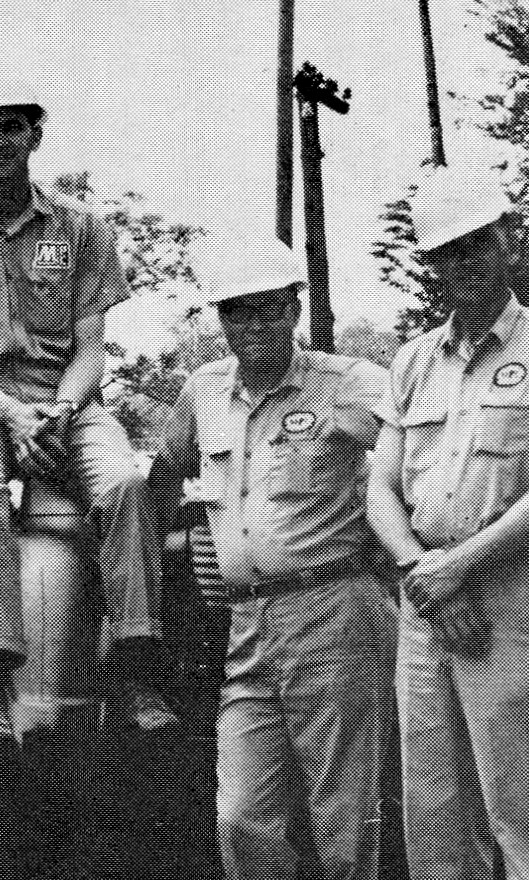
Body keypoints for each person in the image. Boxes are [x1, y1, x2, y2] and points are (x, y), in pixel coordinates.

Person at [0, 81, 174, 749]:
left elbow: (91, 347)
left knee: (124, 484)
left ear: (34, 136)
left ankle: (135, 669)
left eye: (11, 126)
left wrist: (63, 409)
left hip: (65, 394)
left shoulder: (79, 226)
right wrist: (11, 414)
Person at [365, 167, 529, 880]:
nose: (462, 260)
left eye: (476, 241)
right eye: (446, 250)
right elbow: (378, 486)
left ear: (507, 240)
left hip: (514, 597)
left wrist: (457, 566)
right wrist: (422, 570)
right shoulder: (412, 360)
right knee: (435, 820)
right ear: (431, 263)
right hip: (425, 602)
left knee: (524, 814)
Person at [146, 230, 395, 880]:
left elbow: (422, 440)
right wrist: (149, 549)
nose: (252, 323)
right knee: (240, 816)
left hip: (332, 608)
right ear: (219, 318)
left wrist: (392, 532)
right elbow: (164, 472)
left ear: (294, 308)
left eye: (267, 307)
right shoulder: (203, 390)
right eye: (236, 309)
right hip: (246, 625)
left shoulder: (345, 384)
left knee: (343, 812)